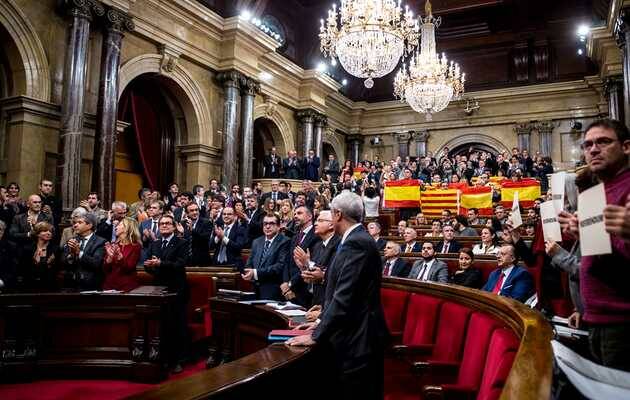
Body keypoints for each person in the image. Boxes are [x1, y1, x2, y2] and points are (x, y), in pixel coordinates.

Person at [287, 191, 388, 400]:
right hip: (354, 333)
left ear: (338, 215)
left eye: (331, 214)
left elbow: (345, 296)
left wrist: (316, 335)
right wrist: (322, 319)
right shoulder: (353, 239)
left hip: (359, 337)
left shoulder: (356, 242)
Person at [566, 119, 630, 371]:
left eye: (603, 142)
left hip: (623, 324)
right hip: (596, 318)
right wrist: (584, 236)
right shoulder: (595, 193)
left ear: (626, 147)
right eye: (588, 144)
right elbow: (606, 258)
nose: (593, 149)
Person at [144, 214, 189, 373]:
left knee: (176, 325)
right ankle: (162, 358)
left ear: (174, 226)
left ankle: (178, 360)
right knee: (161, 325)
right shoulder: (154, 243)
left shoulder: (181, 243)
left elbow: (180, 264)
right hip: (158, 289)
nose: (164, 226)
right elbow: (148, 266)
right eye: (162, 223)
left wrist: (160, 263)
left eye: (167, 223)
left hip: (176, 289)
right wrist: (149, 265)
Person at [294, 210, 341, 307]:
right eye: (316, 220)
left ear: (331, 225)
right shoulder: (317, 246)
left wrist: (308, 262)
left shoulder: (338, 244)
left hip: (330, 301)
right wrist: (304, 268)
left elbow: (330, 272)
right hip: (315, 299)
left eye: (320, 221)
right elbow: (313, 275)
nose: (315, 223)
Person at [241, 213, 290, 300]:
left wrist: (255, 273)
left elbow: (280, 266)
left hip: (273, 289)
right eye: (265, 224)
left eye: (271, 224)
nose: (267, 226)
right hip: (255, 288)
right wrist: (249, 272)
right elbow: (250, 262)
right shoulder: (256, 241)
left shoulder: (284, 242)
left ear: (279, 226)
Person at [281, 205, 320, 306]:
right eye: (294, 213)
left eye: (299, 213)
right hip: (289, 291)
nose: (295, 216)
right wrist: (285, 282)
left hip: (305, 290)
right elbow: (288, 262)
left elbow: (310, 264)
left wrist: (290, 284)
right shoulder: (295, 236)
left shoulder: (316, 236)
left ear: (310, 216)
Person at [61, 213, 106, 291]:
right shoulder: (72, 240)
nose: (75, 225)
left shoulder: (100, 242)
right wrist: (71, 255)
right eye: (75, 223)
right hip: (70, 286)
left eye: (80, 222)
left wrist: (79, 253)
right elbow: (62, 262)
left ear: (89, 225)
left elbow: (96, 263)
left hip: (90, 286)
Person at [103, 217, 141, 292]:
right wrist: (109, 259)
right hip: (109, 286)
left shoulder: (135, 246)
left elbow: (128, 269)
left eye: (119, 225)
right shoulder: (113, 245)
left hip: (126, 286)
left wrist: (120, 259)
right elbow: (105, 269)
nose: (116, 228)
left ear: (127, 228)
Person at [20, 221, 57, 291]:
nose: (49, 233)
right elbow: (22, 269)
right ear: (37, 233)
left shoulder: (55, 249)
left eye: (50, 231)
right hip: (29, 286)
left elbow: (57, 270)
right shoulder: (28, 249)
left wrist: (50, 264)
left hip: (49, 287)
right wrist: (34, 263)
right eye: (45, 231)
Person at [0, 221, 18, 292]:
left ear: (3, 231)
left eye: (0, 229)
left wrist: (2, 281)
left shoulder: (11, 247)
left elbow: (13, 269)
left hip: (3, 282)